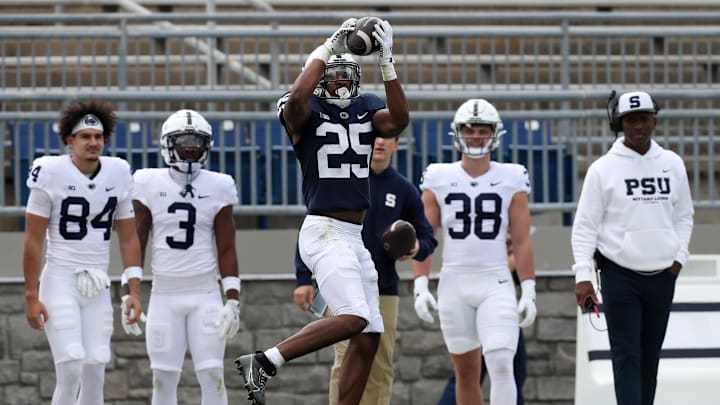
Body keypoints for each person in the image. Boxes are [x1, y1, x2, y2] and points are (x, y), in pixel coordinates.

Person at [234, 17, 409, 405]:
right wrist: (327, 47)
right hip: (325, 230)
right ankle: (264, 360)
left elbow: (398, 120)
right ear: (318, 79)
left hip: (352, 237)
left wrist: (387, 62)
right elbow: (296, 100)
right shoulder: (304, 109)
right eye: (333, 76)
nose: (342, 83)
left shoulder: (367, 108)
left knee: (368, 336)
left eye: (348, 76)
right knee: (354, 318)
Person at [293, 134, 438, 405]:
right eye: (375, 136)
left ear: (398, 144)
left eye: (389, 137)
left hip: (384, 289)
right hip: (340, 283)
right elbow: (313, 226)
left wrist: (416, 247)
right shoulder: (342, 181)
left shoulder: (404, 189)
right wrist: (303, 277)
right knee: (344, 357)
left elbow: (428, 236)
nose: (380, 142)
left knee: (380, 366)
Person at [572, 90, 694, 405]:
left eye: (643, 119)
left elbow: (684, 216)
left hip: (662, 276)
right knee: (626, 357)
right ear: (619, 123)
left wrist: (678, 259)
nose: (637, 126)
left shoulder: (672, 163)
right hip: (619, 275)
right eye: (630, 120)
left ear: (654, 120)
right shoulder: (603, 169)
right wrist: (582, 276)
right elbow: (585, 226)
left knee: (650, 357)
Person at [412, 99, 537, 405]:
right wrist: (419, 284)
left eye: (484, 130)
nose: (477, 136)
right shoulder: (438, 176)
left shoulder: (512, 176)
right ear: (459, 133)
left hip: (495, 282)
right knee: (466, 372)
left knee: (501, 364)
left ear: (495, 134)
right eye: (471, 130)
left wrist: (530, 289)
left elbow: (521, 240)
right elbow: (426, 236)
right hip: (454, 282)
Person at [22, 99, 144, 405]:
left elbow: (128, 238)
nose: (93, 142)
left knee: (96, 367)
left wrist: (133, 291)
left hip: (98, 283)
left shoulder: (118, 172)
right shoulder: (49, 171)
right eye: (85, 136)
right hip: (61, 278)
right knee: (72, 365)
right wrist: (30, 295)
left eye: (98, 136)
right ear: (69, 140)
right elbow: (33, 239)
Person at [132, 109, 241, 405]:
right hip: (164, 294)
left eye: (197, 141)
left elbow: (226, 246)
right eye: (184, 141)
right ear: (168, 144)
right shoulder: (147, 182)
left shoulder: (219, 185)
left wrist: (232, 298)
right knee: (163, 379)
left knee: (213, 377)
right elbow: (137, 240)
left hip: (205, 293)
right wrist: (130, 292)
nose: (190, 148)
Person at [437, 232, 528, 405]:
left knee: (510, 371)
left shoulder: (505, 218)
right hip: (474, 302)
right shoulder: (465, 228)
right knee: (467, 374)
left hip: (499, 306)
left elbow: (517, 254)